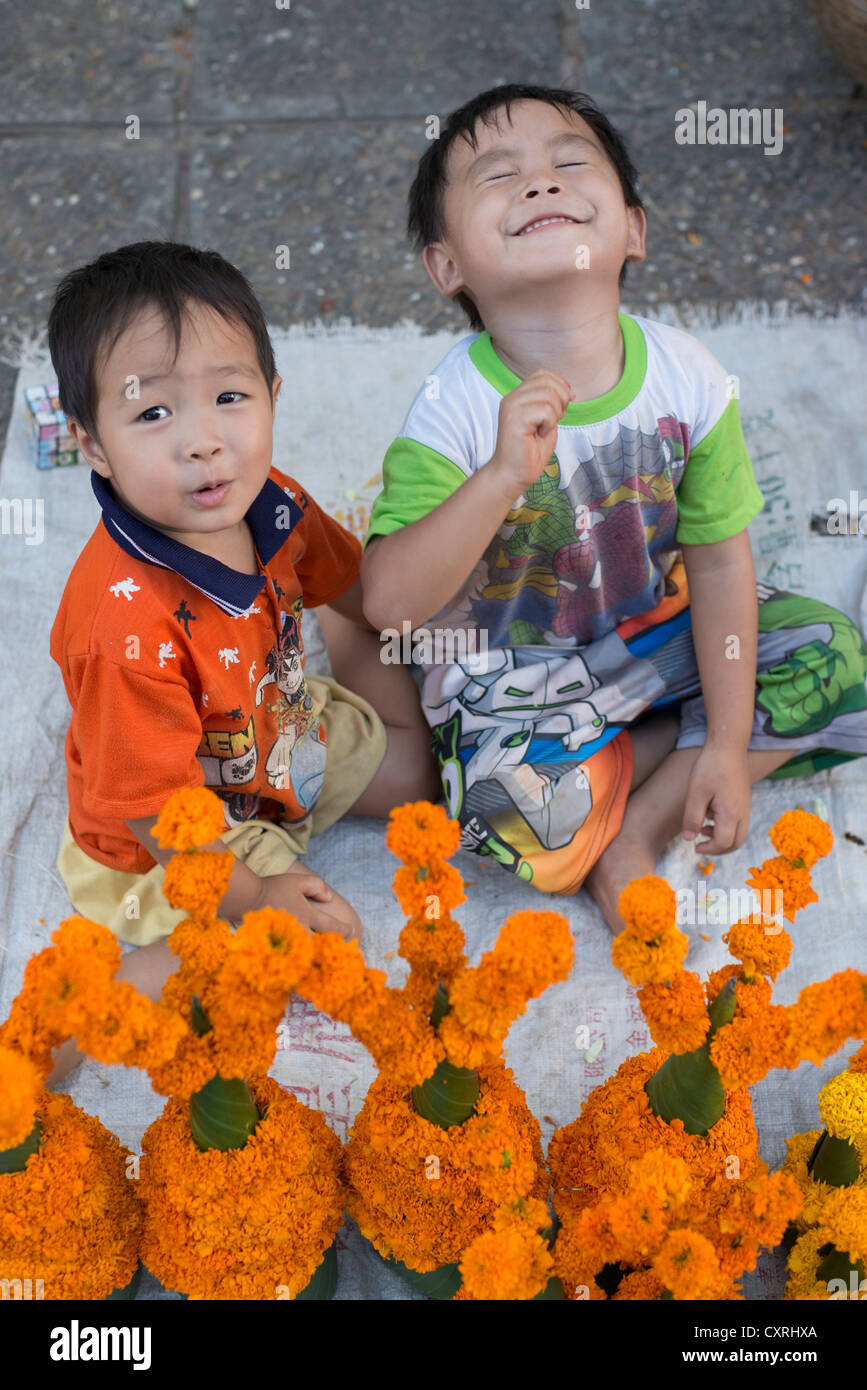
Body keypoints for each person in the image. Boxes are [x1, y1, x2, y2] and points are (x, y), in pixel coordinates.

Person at [361, 83, 867, 932]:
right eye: (499, 177)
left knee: (837, 654)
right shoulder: (449, 412)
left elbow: (716, 560)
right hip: (512, 682)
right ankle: (649, 756)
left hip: (649, 638)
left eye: (568, 163)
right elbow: (390, 607)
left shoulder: (690, 377)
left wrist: (731, 748)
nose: (539, 184)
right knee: (511, 820)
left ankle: (638, 824)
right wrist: (495, 478)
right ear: (446, 266)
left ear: (631, 229)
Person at [47, 240, 439, 1080]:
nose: (204, 442)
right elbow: (156, 815)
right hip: (175, 835)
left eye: (229, 397)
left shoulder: (273, 502)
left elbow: (356, 587)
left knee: (421, 772)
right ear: (91, 443)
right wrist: (253, 894)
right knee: (305, 943)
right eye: (151, 414)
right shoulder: (121, 627)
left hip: (276, 733)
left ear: (272, 395)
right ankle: (67, 1024)